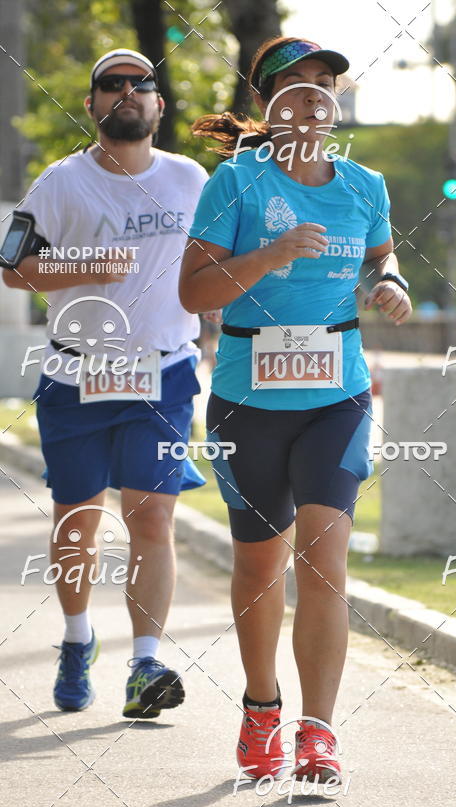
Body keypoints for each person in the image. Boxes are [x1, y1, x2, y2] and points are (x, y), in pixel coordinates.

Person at [179, 37, 412, 781]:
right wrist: (271, 254)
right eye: (296, 84)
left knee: (324, 559)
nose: (313, 94)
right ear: (266, 105)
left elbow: (382, 254)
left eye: (324, 84)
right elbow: (194, 293)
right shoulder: (234, 184)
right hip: (248, 398)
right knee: (259, 568)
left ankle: (318, 731)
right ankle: (261, 708)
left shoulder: (365, 185)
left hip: (336, 395)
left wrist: (390, 282)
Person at [1, 49, 211, 719]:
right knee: (77, 523)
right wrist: (83, 261)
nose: (127, 93)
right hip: (77, 375)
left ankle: (145, 662)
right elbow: (11, 266)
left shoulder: (190, 179)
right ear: (92, 105)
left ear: (159, 105)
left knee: (152, 515)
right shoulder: (60, 183)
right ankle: (76, 637)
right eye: (112, 85)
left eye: (140, 84)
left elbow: (215, 264)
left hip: (164, 375)